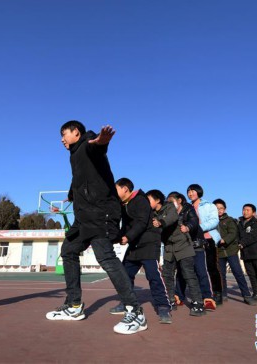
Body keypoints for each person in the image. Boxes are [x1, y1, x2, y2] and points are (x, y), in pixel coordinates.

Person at [46, 121, 147, 335]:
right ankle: (74, 306)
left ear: (76, 132)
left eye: (64, 134)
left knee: (106, 258)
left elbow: (96, 146)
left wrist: (103, 141)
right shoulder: (74, 155)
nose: (62, 139)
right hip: (84, 218)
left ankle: (135, 311)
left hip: (101, 213)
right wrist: (71, 196)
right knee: (69, 251)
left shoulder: (87, 143)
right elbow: (80, 180)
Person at [108, 181, 172, 324]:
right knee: (124, 275)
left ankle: (163, 307)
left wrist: (128, 237)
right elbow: (124, 226)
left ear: (125, 189)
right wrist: (116, 238)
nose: (113, 192)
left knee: (153, 276)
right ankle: (126, 303)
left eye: (115, 189)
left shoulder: (140, 200)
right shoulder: (124, 205)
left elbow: (142, 223)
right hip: (135, 245)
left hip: (148, 243)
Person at [158, 191, 207, 317]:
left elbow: (194, 221)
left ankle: (198, 303)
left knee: (188, 273)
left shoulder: (188, 209)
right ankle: (170, 299)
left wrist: (188, 227)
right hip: (169, 246)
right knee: (167, 274)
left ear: (179, 200)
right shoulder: (164, 211)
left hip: (184, 244)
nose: (168, 204)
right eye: (167, 202)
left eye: (171, 201)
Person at [184, 184, 221, 309]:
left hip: (207, 238)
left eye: (193, 191)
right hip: (192, 240)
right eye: (188, 191)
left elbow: (214, 220)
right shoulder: (187, 207)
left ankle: (216, 293)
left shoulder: (209, 205)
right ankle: (200, 294)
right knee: (196, 268)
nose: (190, 193)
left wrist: (197, 227)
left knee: (210, 267)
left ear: (199, 192)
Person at [212, 199, 256, 305]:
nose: (219, 210)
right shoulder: (211, 221)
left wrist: (224, 240)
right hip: (219, 252)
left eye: (221, 208)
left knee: (238, 273)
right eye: (216, 208)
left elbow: (233, 233)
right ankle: (223, 294)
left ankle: (246, 295)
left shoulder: (229, 220)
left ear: (225, 209)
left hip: (231, 251)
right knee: (221, 275)